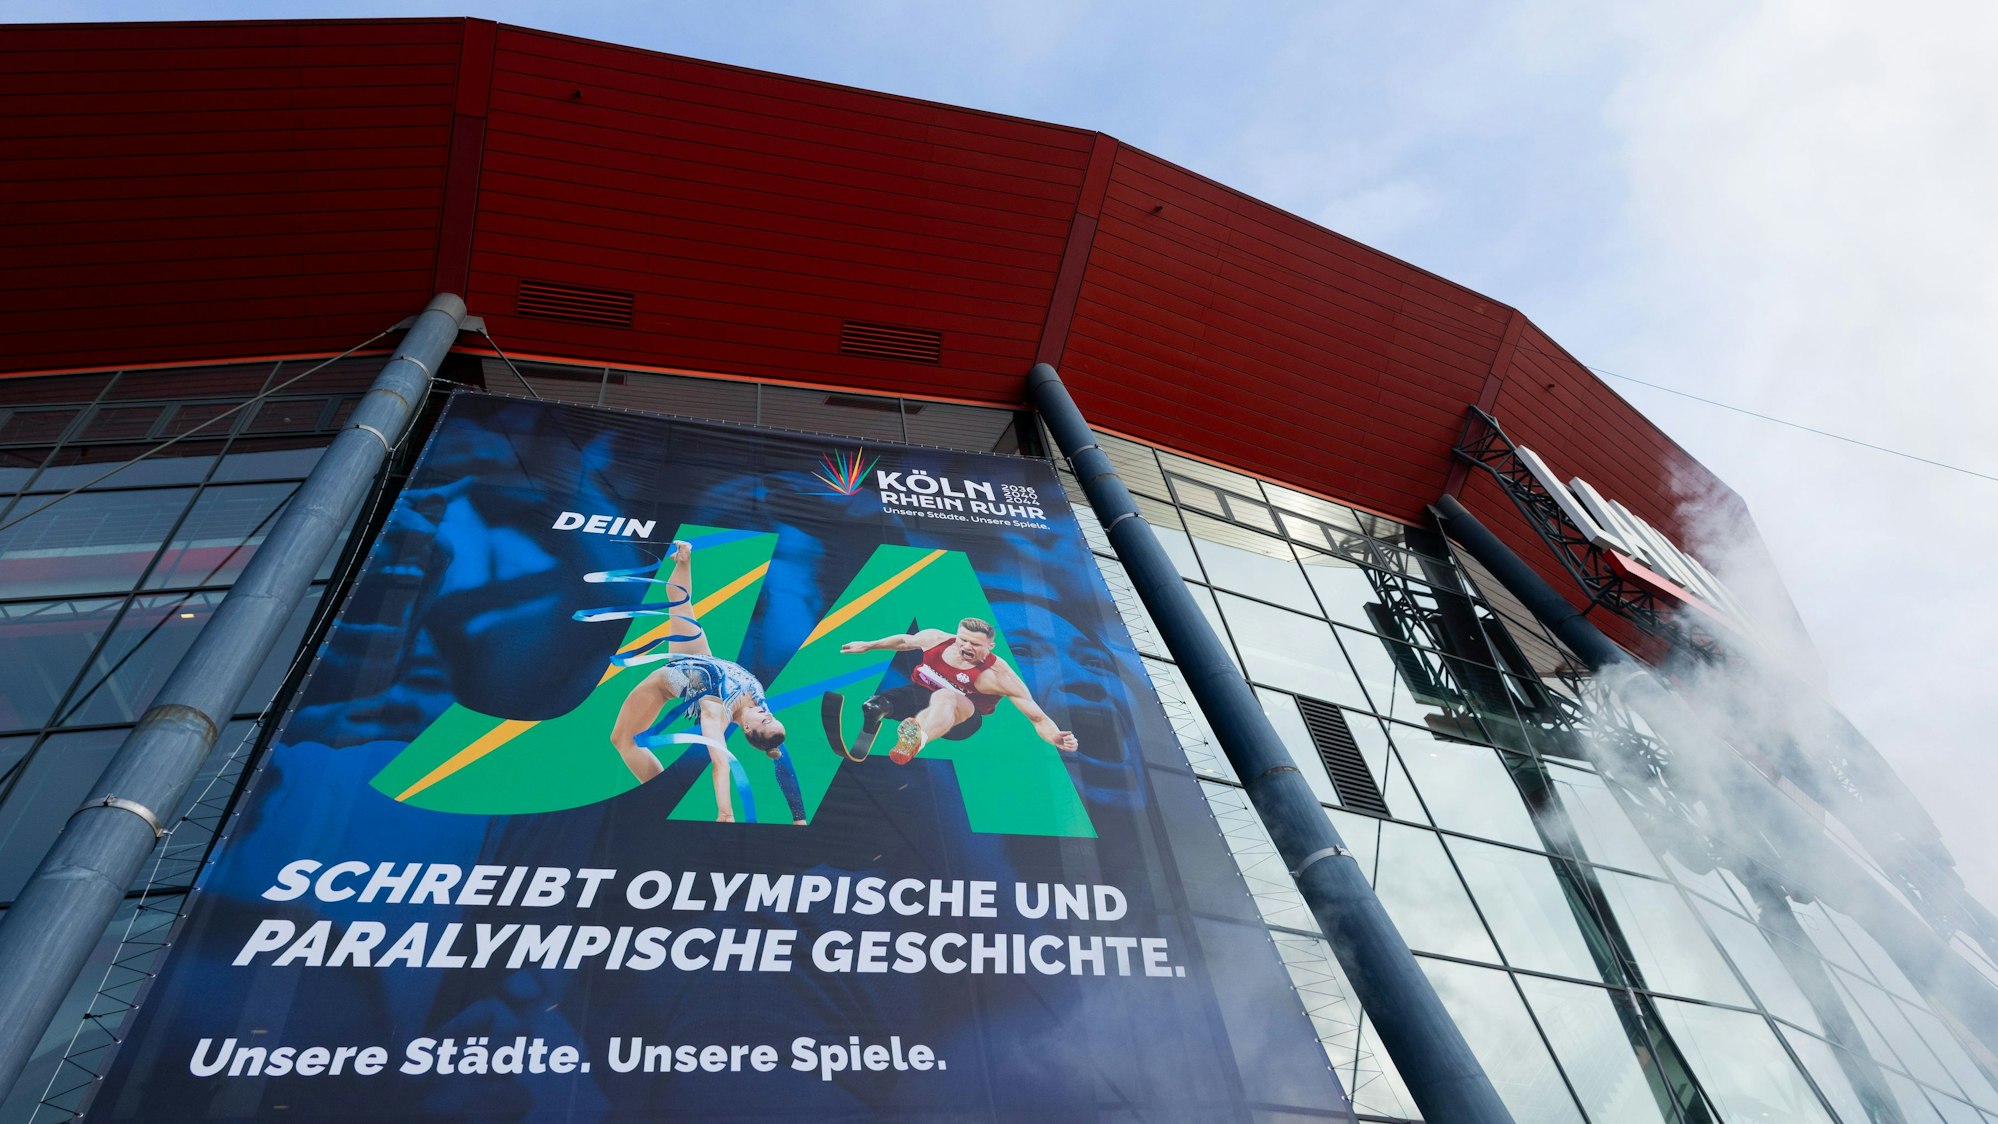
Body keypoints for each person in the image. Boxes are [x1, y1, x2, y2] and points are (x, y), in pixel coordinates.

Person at [609, 540, 804, 823]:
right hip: (698, 654)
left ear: (747, 728)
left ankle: (658, 794)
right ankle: (683, 559)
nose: (767, 713)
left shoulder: (716, 713)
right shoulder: (759, 707)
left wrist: (725, 811)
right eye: (771, 716)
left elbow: (721, 763)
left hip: (666, 682)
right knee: (678, 600)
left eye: (764, 720)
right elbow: (778, 755)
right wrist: (799, 817)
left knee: (623, 739)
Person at [838, 617, 1079, 764]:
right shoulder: (935, 639)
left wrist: (1055, 737)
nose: (965, 646)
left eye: (975, 644)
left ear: (990, 646)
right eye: (962, 639)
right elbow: (903, 641)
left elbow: (1037, 717)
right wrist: (868, 646)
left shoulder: (998, 675)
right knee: (875, 705)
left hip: (962, 721)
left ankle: (917, 739)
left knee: (946, 695)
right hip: (921, 697)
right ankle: (872, 724)